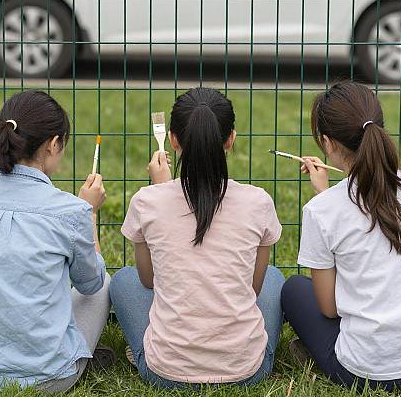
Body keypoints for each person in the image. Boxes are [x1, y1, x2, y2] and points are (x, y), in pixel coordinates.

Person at [110, 87, 285, 389]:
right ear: (231, 139)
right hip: (247, 371)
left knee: (124, 279)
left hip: (165, 372)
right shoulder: (259, 202)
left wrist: (158, 190)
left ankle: (145, 352)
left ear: (174, 140)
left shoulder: (146, 201)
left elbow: (149, 279)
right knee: (272, 277)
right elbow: (253, 288)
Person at [0, 90, 111, 393]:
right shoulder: (71, 212)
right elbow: (91, 284)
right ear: (54, 144)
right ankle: (68, 353)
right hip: (51, 379)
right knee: (104, 282)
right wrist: (90, 215)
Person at [281, 81, 401, 391]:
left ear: (327, 144)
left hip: (366, 371)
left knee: (292, 289)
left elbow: (329, 308)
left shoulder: (321, 211)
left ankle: (320, 356)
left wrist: (324, 197)